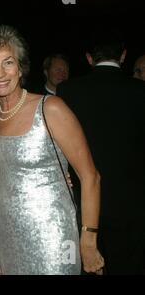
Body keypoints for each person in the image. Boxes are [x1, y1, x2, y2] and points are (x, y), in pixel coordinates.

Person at [0, 25, 104, 275]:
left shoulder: (50, 108)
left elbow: (90, 176)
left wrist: (88, 240)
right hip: (5, 232)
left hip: (52, 234)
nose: (0, 73)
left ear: (20, 68)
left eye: (8, 62)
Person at [57, 30, 145, 274]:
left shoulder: (68, 90)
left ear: (89, 58)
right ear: (124, 56)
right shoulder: (140, 91)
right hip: (132, 204)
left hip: (84, 203)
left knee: (88, 268)